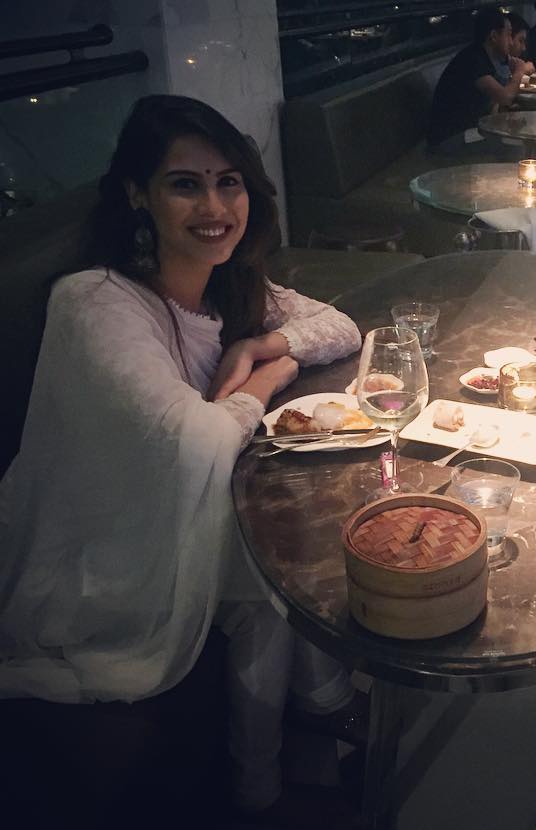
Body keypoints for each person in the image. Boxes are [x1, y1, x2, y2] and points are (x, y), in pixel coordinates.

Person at [0, 95, 366, 819]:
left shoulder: (227, 286)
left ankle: (309, 723)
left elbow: (340, 325)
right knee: (273, 560)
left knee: (286, 544)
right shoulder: (96, 302)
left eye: (228, 181)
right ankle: (271, 777)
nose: (215, 206)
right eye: (185, 184)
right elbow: (196, 441)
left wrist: (260, 343)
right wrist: (272, 377)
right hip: (104, 546)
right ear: (137, 194)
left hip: (182, 504)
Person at [427, 8, 535, 152]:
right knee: (514, 144)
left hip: (468, 130)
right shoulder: (473, 60)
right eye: (508, 34)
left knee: (520, 132)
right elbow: (505, 97)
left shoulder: (484, 57)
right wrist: (519, 71)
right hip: (450, 138)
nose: (511, 42)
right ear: (494, 36)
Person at [495, 13, 532, 84]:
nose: (524, 48)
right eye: (520, 40)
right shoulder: (487, 63)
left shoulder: (507, 60)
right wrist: (521, 70)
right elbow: (504, 89)